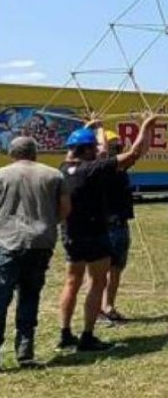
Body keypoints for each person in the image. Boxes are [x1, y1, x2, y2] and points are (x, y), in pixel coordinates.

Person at [57, 115, 155, 352]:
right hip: (94, 233)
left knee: (72, 282)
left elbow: (89, 152)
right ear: (89, 149)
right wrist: (146, 126)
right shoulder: (93, 170)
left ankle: (65, 333)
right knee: (98, 282)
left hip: (70, 233)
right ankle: (87, 336)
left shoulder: (64, 169)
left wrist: (90, 128)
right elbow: (133, 153)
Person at [0, 136, 70, 367]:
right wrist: (49, 223)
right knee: (30, 296)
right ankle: (25, 350)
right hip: (40, 242)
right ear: (35, 152)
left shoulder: (2, 174)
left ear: (12, 153)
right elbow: (65, 209)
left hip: (7, 242)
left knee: (2, 297)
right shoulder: (54, 175)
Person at [97, 126, 135, 325]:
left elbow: (137, 151)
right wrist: (99, 127)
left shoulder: (115, 168)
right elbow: (103, 152)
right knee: (105, 270)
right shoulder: (101, 167)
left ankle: (106, 307)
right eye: (115, 146)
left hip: (117, 223)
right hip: (110, 225)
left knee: (115, 269)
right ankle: (102, 309)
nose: (119, 148)